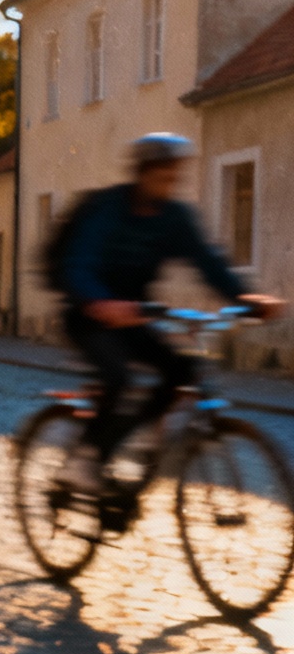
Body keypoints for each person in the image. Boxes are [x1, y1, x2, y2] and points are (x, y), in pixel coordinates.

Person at [56, 131, 282, 492]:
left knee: (181, 370)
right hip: (89, 316)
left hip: (135, 315)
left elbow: (208, 263)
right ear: (142, 173)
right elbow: (78, 263)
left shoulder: (174, 218)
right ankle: (86, 461)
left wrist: (248, 299)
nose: (169, 183)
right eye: (162, 175)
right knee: (119, 379)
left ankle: (140, 441)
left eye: (174, 176)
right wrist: (100, 303)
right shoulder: (108, 209)